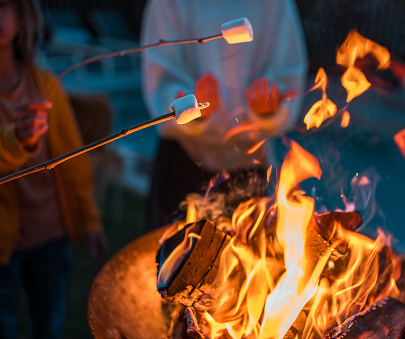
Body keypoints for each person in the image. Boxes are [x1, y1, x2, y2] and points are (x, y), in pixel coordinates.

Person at [141, 0, 308, 229]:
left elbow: (288, 70)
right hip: (184, 162)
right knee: (174, 257)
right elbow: (160, 74)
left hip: (249, 165)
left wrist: (269, 109)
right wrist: (193, 109)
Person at [0, 0, 108, 338]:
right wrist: (18, 139)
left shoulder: (46, 84)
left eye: (3, 6)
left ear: (21, 14)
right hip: (2, 247)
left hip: (51, 238)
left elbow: (74, 158)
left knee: (50, 326)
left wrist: (91, 221)